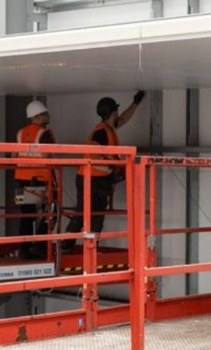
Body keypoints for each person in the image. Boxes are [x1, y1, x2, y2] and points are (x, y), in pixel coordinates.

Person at [65, 90, 145, 246]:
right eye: (116, 110)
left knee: (92, 214)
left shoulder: (107, 128)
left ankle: (81, 246)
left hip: (95, 179)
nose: (118, 113)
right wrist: (112, 165)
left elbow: (122, 120)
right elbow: (93, 153)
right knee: (87, 214)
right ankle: (69, 245)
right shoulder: (101, 133)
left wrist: (135, 103)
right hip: (92, 179)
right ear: (113, 112)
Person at [15, 100, 57, 259]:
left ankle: (24, 248)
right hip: (40, 179)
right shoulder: (44, 134)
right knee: (52, 211)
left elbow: (13, 156)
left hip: (21, 179)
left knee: (26, 214)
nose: (48, 116)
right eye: (46, 114)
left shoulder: (20, 133)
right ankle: (40, 245)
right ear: (38, 116)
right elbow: (47, 157)